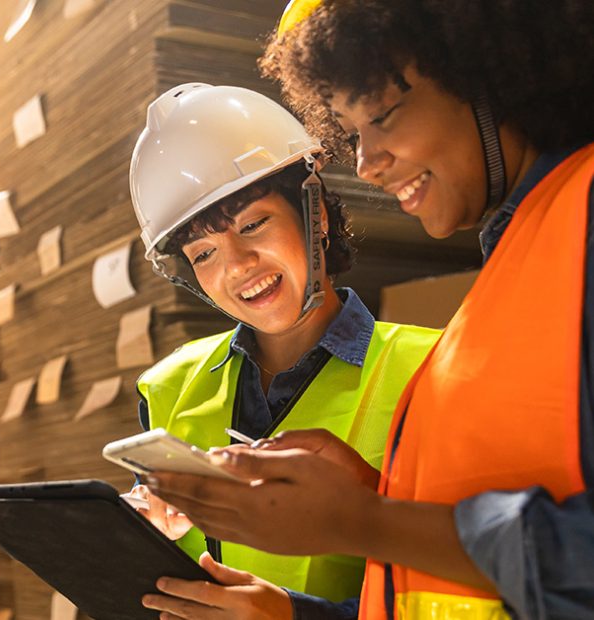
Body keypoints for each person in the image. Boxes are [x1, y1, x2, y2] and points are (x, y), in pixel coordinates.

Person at [144, 1, 594, 618]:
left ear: (483, 69)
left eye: (381, 115)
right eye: (352, 133)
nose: (365, 163)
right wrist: (376, 498)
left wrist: (365, 520)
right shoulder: (518, 265)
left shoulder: (577, 225)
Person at [127, 82, 439, 616]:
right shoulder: (167, 387)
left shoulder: (432, 369)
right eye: (203, 254)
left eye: (253, 224)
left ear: (315, 214)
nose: (237, 265)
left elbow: (461, 587)